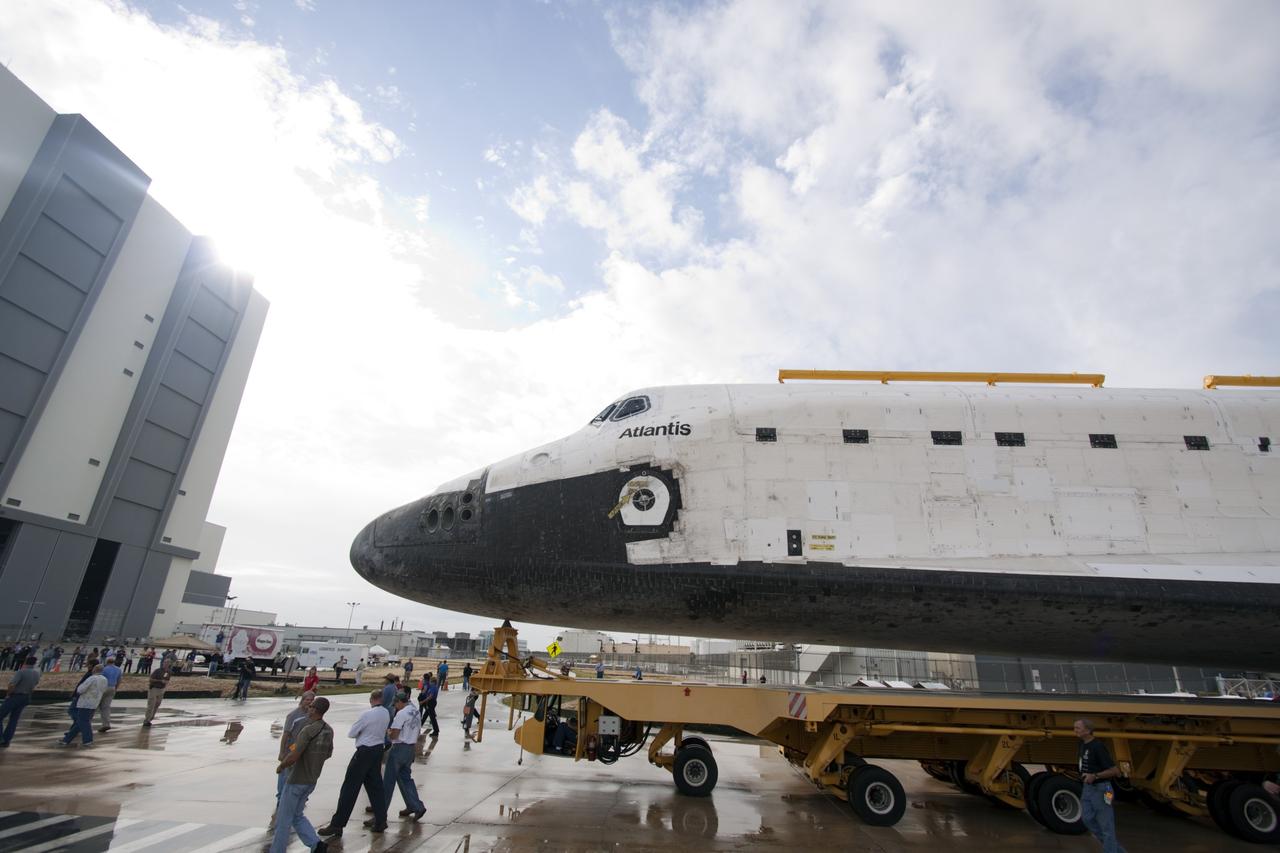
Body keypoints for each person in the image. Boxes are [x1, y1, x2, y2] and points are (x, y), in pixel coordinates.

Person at [317, 690, 391, 839]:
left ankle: (337, 824)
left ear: (371, 699)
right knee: (375, 787)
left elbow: (352, 733)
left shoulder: (367, 714)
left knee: (349, 788)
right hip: (377, 750)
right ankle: (381, 820)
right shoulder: (386, 713)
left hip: (364, 751)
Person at [272, 695, 334, 853]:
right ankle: (316, 845)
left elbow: (294, 755)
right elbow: (328, 753)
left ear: (315, 709)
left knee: (283, 820)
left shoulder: (308, 730)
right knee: (297, 815)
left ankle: (277, 850)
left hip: (297, 779)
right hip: (311, 779)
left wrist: (282, 765)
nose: (309, 708)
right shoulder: (328, 730)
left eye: (311, 706)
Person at [1074, 718, 1127, 853]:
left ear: (1088, 730)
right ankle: (1116, 850)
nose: (1075, 730)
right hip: (1088, 788)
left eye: (1078, 728)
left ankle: (1111, 850)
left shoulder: (1098, 746)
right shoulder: (1082, 744)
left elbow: (1114, 771)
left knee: (1106, 825)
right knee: (1087, 819)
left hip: (1103, 789)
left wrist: (1095, 776)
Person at [272, 691, 317, 827]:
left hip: (303, 753)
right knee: (284, 777)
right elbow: (285, 735)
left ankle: (297, 801)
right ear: (302, 701)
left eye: (312, 700)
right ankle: (280, 801)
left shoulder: (312, 717)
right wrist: (282, 752)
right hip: (290, 750)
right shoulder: (293, 716)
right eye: (307, 700)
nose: (309, 702)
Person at [384, 692, 427, 821]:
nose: (395, 707)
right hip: (410, 748)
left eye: (396, 704)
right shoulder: (415, 711)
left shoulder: (401, 714)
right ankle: (415, 806)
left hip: (399, 748)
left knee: (388, 782)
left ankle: (380, 813)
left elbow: (395, 735)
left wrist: (388, 734)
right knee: (405, 779)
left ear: (400, 702)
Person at [61, 663, 107, 746]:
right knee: (80, 722)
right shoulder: (104, 679)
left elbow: (81, 689)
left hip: (85, 702)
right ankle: (66, 740)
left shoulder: (92, 678)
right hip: (95, 702)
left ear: (94, 670)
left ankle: (88, 740)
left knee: (83, 721)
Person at [0, 655, 41, 747]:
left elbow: (12, 684)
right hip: (26, 697)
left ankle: (1, 738)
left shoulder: (21, 672)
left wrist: (8, 694)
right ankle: (7, 740)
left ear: (25, 662)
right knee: (14, 719)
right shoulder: (36, 673)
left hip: (15, 696)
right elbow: (35, 685)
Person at [97, 655, 123, 732]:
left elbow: (100, 679)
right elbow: (119, 680)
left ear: (107, 662)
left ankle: (85, 722)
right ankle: (106, 724)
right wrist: (116, 688)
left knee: (95, 705)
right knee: (106, 707)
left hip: (104, 687)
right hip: (112, 687)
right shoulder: (118, 670)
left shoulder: (104, 669)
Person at [143, 660, 172, 726]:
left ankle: (151, 718)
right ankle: (147, 719)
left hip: (161, 689)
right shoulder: (157, 670)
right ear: (163, 663)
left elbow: (167, 679)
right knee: (151, 704)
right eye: (165, 663)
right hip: (154, 688)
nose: (166, 664)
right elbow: (150, 679)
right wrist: (160, 681)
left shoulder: (169, 672)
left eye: (167, 663)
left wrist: (166, 682)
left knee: (157, 704)